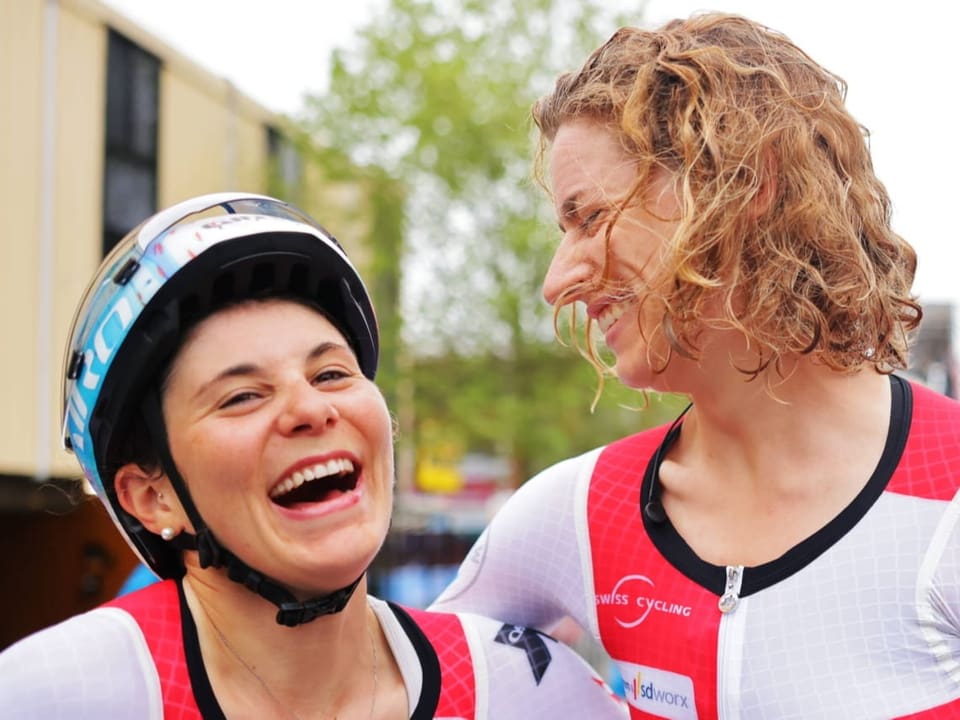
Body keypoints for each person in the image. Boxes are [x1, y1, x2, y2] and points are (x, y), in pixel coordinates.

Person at [432, 12, 960, 719]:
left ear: (745, 186)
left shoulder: (946, 492)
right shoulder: (580, 516)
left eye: (589, 218)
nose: (557, 282)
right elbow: (369, 674)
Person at [0, 193, 626, 719]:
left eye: (330, 374)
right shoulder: (55, 695)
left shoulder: (529, 689)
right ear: (152, 496)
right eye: (242, 396)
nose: (310, 409)